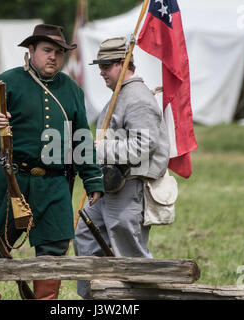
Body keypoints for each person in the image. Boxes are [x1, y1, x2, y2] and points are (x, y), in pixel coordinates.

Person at [0, 24, 104, 300]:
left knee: (53, 251)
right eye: (47, 50)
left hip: (54, 184)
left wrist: (92, 178)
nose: (53, 57)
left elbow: (81, 138)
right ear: (31, 51)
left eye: (59, 53)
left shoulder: (72, 91)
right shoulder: (6, 82)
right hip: (11, 180)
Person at [74, 37, 170, 299]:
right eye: (100, 66)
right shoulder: (119, 95)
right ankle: (96, 297)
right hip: (109, 186)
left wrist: (99, 148)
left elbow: (143, 146)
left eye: (106, 66)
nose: (101, 72)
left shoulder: (137, 98)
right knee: (85, 237)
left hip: (130, 185)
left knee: (130, 253)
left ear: (123, 63)